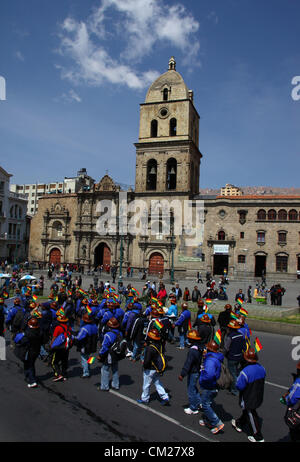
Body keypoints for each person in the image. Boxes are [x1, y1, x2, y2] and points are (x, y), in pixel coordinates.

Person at [231, 348, 266, 443]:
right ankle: (239, 423)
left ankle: (258, 436)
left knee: (251, 414)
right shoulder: (262, 368)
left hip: (248, 397)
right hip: (259, 394)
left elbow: (239, 385)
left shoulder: (245, 372)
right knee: (247, 412)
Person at [137, 327, 169, 406]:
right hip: (157, 368)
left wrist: (144, 366)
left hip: (150, 368)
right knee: (157, 383)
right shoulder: (159, 345)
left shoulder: (150, 348)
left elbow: (147, 360)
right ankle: (165, 396)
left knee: (146, 384)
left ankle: (145, 398)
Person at [198, 340, 225, 434]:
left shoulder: (210, 360)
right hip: (214, 385)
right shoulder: (215, 358)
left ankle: (216, 422)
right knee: (207, 403)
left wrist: (202, 380)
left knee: (205, 404)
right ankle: (208, 420)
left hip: (209, 386)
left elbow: (209, 375)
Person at [178, 329, 203, 415]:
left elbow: (188, 363)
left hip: (193, 371)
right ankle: (200, 402)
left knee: (191, 390)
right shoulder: (199, 347)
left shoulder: (192, 350)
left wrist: (182, 374)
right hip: (197, 369)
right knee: (194, 388)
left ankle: (193, 408)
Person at [16, 317, 42, 388]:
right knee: (31, 364)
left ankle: (32, 380)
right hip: (37, 350)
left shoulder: (27, 334)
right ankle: (30, 376)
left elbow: (20, 341)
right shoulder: (40, 332)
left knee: (29, 365)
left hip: (29, 351)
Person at [98, 317, 122, 391]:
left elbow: (104, 347)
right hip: (117, 354)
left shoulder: (108, 335)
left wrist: (100, 354)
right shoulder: (120, 333)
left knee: (105, 369)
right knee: (115, 369)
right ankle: (116, 384)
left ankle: (104, 386)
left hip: (110, 354)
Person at [223, 319, 247, 396]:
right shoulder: (241, 335)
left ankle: (235, 390)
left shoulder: (230, 337)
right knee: (236, 372)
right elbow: (244, 347)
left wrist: (222, 355)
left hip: (232, 357)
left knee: (232, 374)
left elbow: (226, 348)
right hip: (239, 356)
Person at [49, 309, 73, 382]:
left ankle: (58, 374)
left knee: (54, 362)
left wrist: (51, 345)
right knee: (64, 361)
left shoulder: (58, 328)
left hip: (59, 347)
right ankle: (64, 374)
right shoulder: (69, 327)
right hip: (66, 347)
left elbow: (54, 337)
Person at [280, 361, 300, 442]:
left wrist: (285, 398)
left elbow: (291, 399)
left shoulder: (298, 383)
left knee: (295, 434)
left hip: (297, 414)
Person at [74, 313, 98, 378]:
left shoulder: (84, 328)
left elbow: (79, 337)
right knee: (90, 357)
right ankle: (88, 368)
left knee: (84, 358)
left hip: (85, 345)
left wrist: (73, 337)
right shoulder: (95, 326)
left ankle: (86, 373)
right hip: (93, 345)